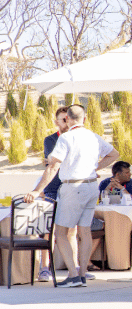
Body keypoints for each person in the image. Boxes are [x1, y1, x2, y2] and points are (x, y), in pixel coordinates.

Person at [25, 105, 119, 288]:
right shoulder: (93, 136)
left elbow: (53, 167)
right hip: (92, 186)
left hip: (73, 187)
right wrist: (95, 169)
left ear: (67, 119)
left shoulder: (66, 138)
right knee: (84, 231)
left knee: (60, 233)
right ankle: (82, 274)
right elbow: (114, 154)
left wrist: (37, 190)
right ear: (84, 119)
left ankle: (73, 275)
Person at [37, 106, 69, 282]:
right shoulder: (50, 139)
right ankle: (44, 268)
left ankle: (76, 267)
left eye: (67, 118)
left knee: (72, 231)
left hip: (70, 188)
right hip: (52, 188)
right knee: (48, 229)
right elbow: (52, 161)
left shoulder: (75, 138)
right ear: (56, 122)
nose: (65, 122)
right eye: (62, 119)